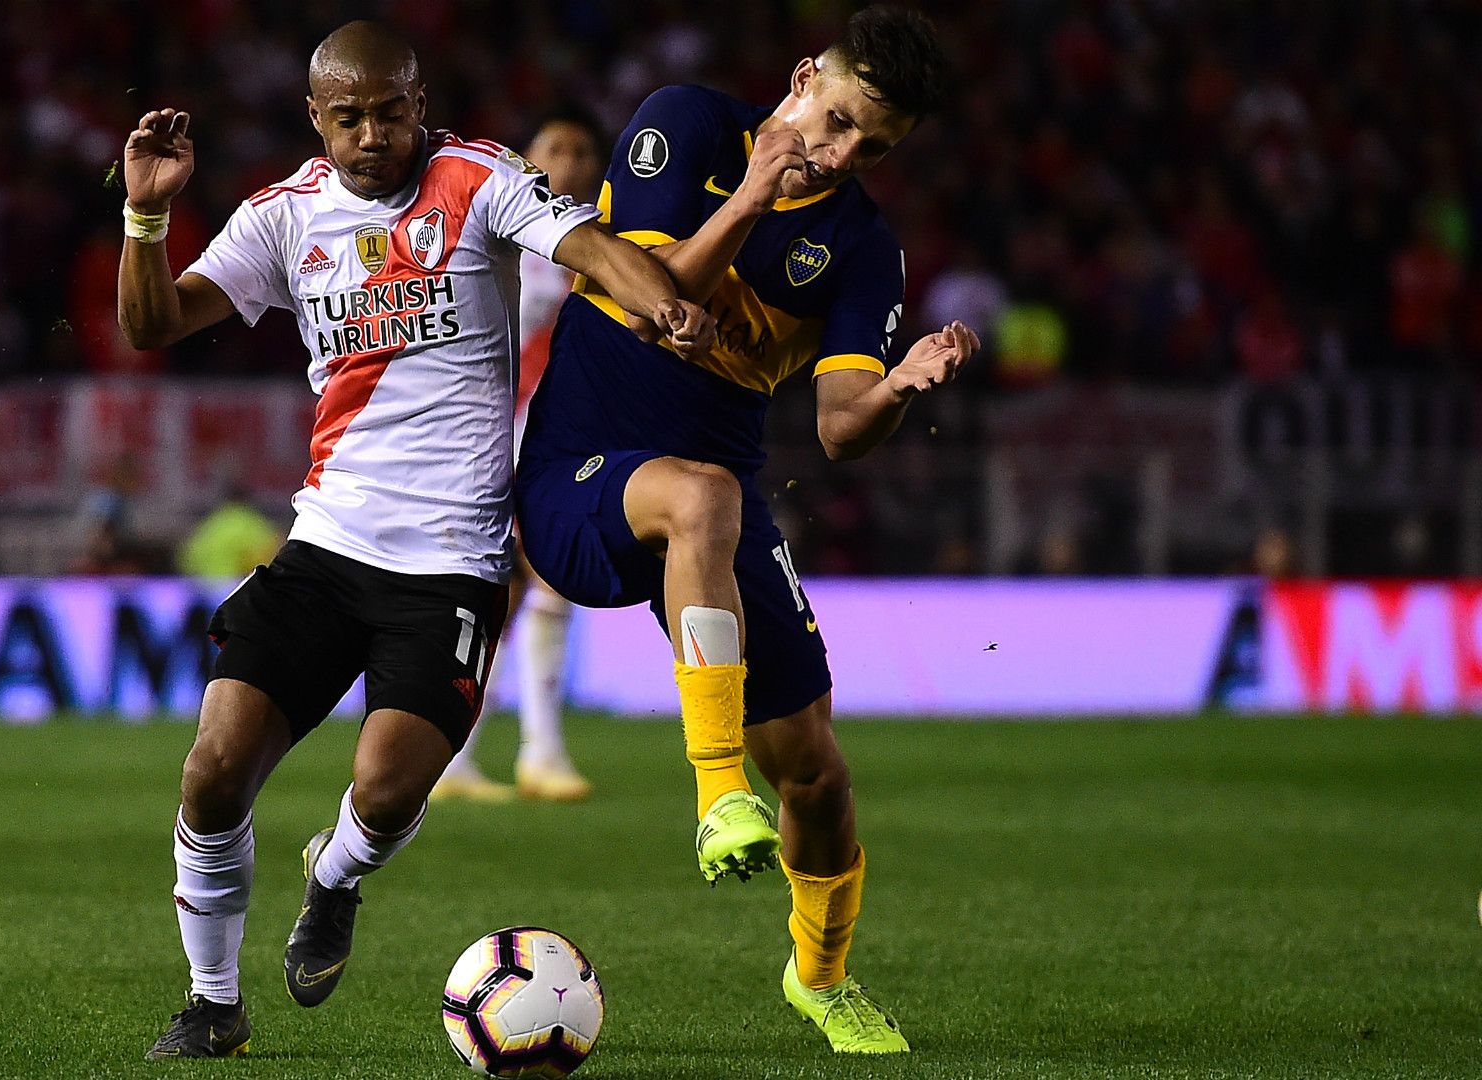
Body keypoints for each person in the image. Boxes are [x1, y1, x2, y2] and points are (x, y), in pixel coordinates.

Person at [117, 21, 711, 1060]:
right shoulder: (283, 217)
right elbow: (154, 324)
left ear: (418, 102)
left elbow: (587, 248)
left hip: (450, 564)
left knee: (385, 791)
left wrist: (663, 308)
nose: (371, 135)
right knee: (213, 771)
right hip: (326, 545)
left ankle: (334, 878)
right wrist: (145, 215)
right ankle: (213, 1003)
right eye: (347, 117)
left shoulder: (476, 178)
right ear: (317, 119)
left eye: (390, 112)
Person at [515, 6, 976, 1054]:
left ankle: (821, 978)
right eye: (841, 121)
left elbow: (839, 426)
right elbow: (647, 301)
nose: (846, 154)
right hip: (575, 475)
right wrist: (758, 192)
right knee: (704, 496)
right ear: (806, 76)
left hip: (713, 492)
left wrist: (898, 388)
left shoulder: (863, 247)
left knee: (816, 770)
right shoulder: (683, 126)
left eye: (876, 147)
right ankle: (717, 790)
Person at [433, 106, 609, 804]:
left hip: (556, 434)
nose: (570, 162)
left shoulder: (599, 244)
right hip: (504, 436)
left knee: (514, 593)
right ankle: (534, 753)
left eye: (582, 150)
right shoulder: (514, 239)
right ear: (529, 161)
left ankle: (470, 759)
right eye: (555, 147)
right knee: (526, 587)